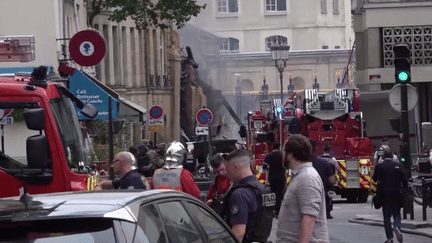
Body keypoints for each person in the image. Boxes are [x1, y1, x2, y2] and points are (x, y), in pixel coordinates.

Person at [277, 134, 329, 243]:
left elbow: (309, 218)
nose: (281, 154)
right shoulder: (300, 176)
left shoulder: (307, 178)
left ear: (290, 154)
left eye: (283, 150)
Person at [222, 149, 275, 243]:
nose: (227, 175)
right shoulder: (263, 190)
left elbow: (238, 233)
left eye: (228, 170)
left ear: (236, 167)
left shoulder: (240, 194)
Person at [373, 145, 408, 243]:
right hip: (396, 193)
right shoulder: (398, 165)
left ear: (383, 157)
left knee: (386, 216)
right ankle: (397, 227)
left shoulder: (380, 166)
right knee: (396, 214)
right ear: (392, 156)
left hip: (384, 194)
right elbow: (405, 180)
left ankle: (390, 238)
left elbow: (374, 178)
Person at [309, 139, 336, 220]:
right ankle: (327, 212)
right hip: (323, 191)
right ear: (316, 148)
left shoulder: (300, 164)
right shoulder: (325, 163)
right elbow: (332, 180)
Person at [264, 141, 286, 218]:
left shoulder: (268, 156)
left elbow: (265, 166)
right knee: (279, 194)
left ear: (272, 147)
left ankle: (272, 210)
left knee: (273, 194)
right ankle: (278, 212)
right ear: (279, 147)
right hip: (281, 177)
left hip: (272, 177)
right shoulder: (282, 156)